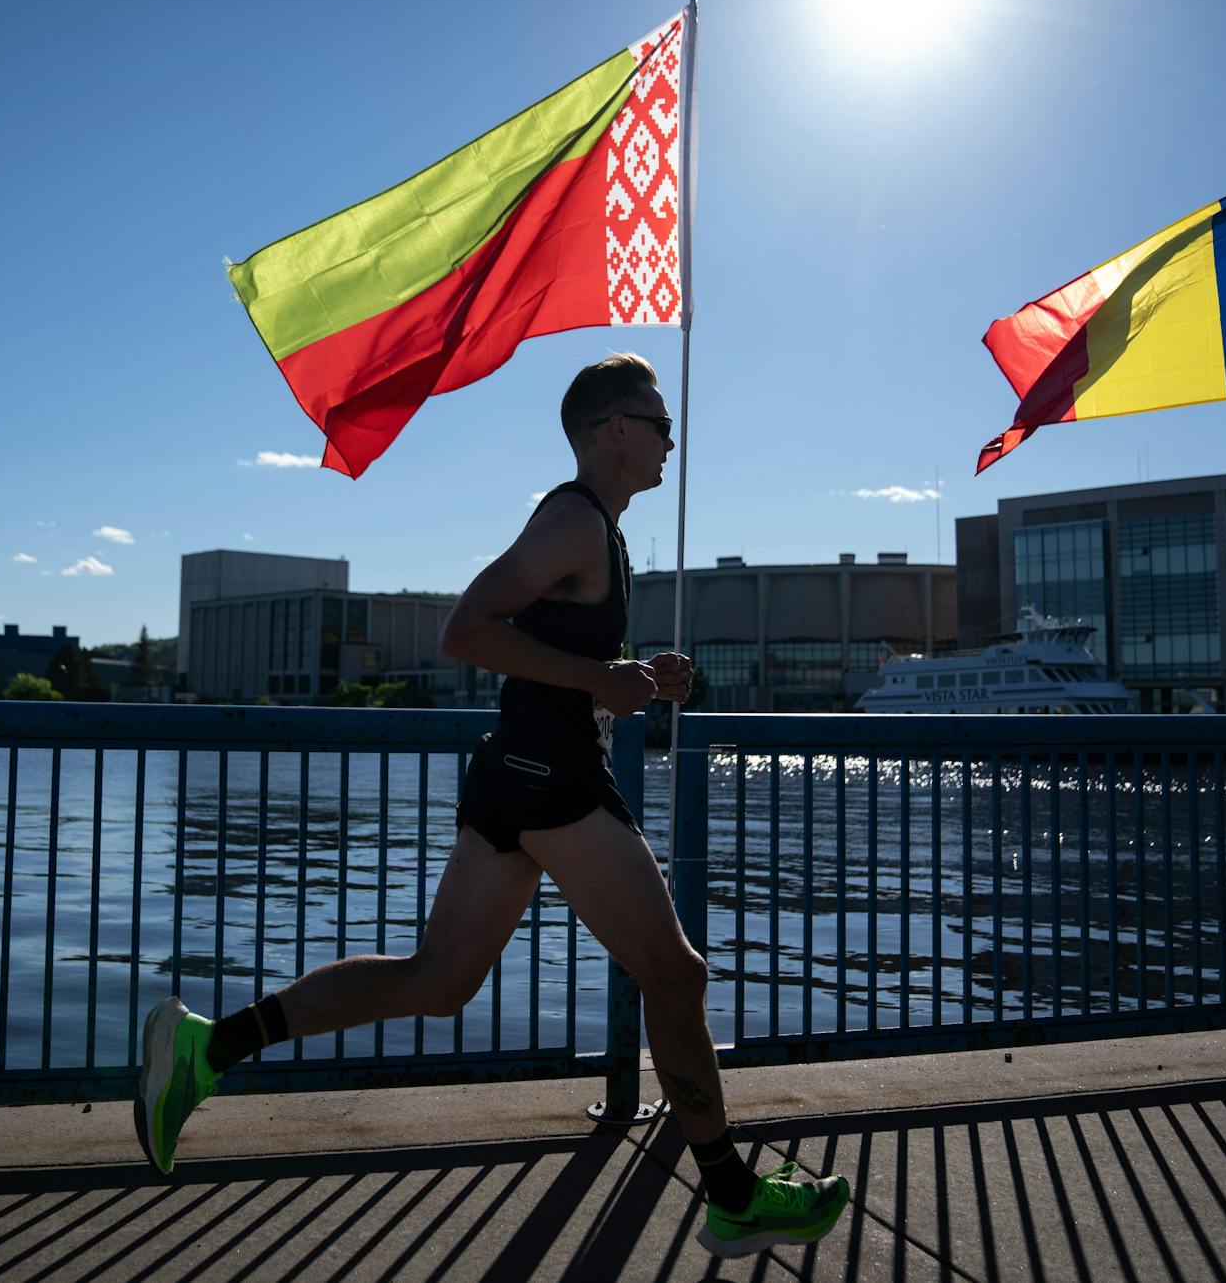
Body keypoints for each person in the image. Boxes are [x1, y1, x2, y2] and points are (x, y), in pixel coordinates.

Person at [134, 353, 851, 1257]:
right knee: (677, 977)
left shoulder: (598, 530)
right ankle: (734, 1195)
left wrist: (626, 678)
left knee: (438, 981)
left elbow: (549, 655)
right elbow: (466, 630)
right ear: (616, 430)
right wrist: (598, 680)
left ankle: (207, 1048)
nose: (673, 442)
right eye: (661, 425)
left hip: (517, 773)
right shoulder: (573, 520)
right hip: (553, 781)